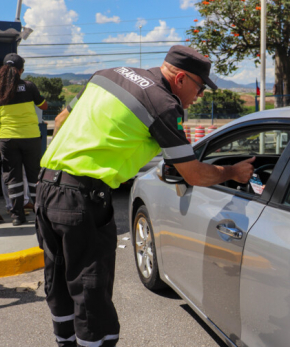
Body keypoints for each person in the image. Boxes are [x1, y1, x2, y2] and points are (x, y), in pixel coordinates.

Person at [36, 45, 254, 347]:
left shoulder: (107, 74)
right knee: (91, 300)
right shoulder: (164, 105)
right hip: (82, 200)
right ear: (180, 79)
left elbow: (60, 121)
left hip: (46, 188)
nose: (199, 96)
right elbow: (193, 174)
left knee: (59, 287)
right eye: (200, 87)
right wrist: (233, 172)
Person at [0, 53, 48, 226]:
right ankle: (39, 213)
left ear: (3, 69)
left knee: (13, 177)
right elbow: (44, 105)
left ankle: (17, 216)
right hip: (31, 137)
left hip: (8, 139)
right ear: (21, 70)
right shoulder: (29, 86)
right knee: (34, 175)